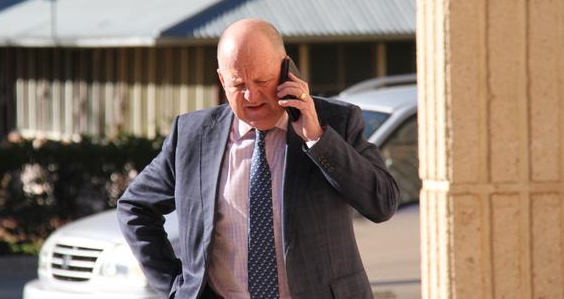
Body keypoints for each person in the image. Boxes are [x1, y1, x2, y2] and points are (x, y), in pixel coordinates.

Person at [117, 18, 399, 299]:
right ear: (221, 80)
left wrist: (317, 138)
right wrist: (178, 288)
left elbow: (382, 202)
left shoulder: (336, 122)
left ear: (286, 69)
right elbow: (135, 207)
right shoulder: (192, 136)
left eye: (263, 80)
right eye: (238, 84)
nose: (252, 95)